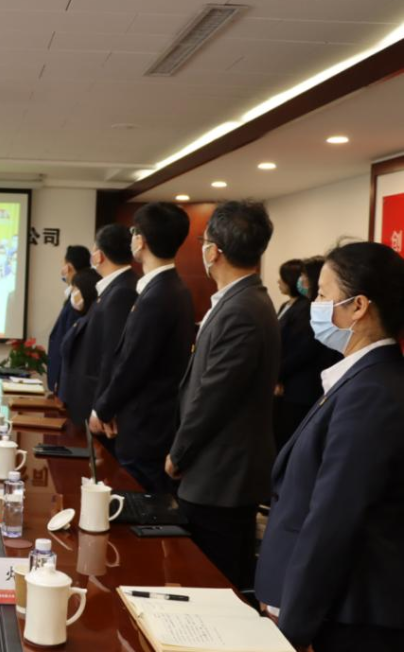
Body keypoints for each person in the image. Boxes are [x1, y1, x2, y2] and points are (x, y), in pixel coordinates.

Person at [256, 242, 404, 652]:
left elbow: (334, 518)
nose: (314, 306)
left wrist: (295, 626)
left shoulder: (373, 390)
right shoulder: (358, 377)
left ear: (358, 306)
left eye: (322, 295)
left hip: (344, 617)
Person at [166, 200, 279, 589]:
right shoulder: (241, 300)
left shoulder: (242, 309)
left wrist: (179, 453)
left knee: (213, 582)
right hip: (217, 471)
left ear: (213, 251)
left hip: (220, 476)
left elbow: (213, 397)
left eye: (204, 241)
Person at [91, 204, 195, 493]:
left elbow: (133, 363)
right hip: (149, 423)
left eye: (134, 232)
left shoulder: (159, 294)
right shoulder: (170, 287)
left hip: (145, 427)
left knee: (141, 504)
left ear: (141, 240)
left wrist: (102, 409)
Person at [60, 224, 138, 429]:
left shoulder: (122, 291)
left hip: (97, 403)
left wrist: (101, 408)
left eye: (94, 250)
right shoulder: (111, 287)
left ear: (99, 256)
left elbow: (112, 355)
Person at [274, 258, 341, 451]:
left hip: (305, 387)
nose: (301, 280)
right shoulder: (301, 306)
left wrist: (278, 373)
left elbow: (306, 350)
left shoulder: (312, 311)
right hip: (292, 384)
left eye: (304, 276)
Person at [47, 245, 91, 393]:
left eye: (63, 264)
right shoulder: (82, 289)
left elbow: (69, 340)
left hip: (68, 380)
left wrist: (59, 379)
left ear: (68, 267)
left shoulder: (77, 295)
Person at [56, 268, 102, 406]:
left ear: (87, 290)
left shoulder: (93, 320)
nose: (73, 293)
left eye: (76, 289)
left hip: (80, 398)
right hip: (69, 395)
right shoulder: (82, 319)